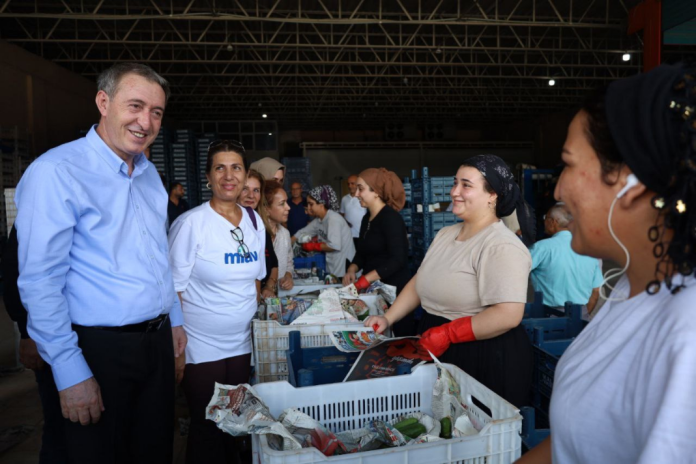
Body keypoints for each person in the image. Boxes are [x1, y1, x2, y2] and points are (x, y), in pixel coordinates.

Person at [520, 63, 696, 463]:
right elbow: (572, 444)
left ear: (631, 184)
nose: (560, 188)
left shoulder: (686, 338)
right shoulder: (626, 291)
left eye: (568, 163)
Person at [14, 62, 186, 462]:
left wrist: (174, 320)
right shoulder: (56, 172)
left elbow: (157, 255)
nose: (146, 121)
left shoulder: (149, 175)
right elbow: (40, 282)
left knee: (155, 451)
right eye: (135, 106)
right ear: (103, 102)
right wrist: (70, 371)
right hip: (98, 350)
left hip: (156, 344)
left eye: (156, 112)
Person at [365, 155, 535, 407]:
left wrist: (448, 334)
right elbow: (419, 282)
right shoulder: (446, 234)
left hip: (481, 354)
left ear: (492, 195)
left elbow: (508, 315)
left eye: (466, 185)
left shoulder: (501, 245)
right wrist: (388, 318)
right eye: (455, 183)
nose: (454, 191)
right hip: (435, 341)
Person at [168, 140, 266, 464]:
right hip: (201, 344)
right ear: (209, 176)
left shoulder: (254, 221)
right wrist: (176, 347)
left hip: (241, 343)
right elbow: (173, 289)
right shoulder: (191, 224)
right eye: (219, 168)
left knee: (233, 424)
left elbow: (256, 279)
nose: (228, 175)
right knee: (208, 424)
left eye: (235, 167)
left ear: (245, 174)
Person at [2, 225, 68, 463]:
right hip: (47, 337)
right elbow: (13, 274)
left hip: (87, 335)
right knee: (59, 423)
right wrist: (26, 334)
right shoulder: (37, 211)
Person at [342, 168, 413, 335]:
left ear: (376, 192)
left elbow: (398, 260)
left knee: (397, 339)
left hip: (396, 294)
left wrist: (365, 279)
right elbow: (363, 252)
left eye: (361, 189)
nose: (357, 193)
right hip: (376, 292)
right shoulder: (367, 217)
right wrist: (352, 269)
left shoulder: (391, 218)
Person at [530, 203, 603, 317]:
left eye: (546, 218)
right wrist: (583, 313)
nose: (544, 222)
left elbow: (514, 273)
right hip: (581, 314)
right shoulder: (590, 250)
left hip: (549, 316)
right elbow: (596, 291)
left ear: (554, 221)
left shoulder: (541, 247)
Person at [293, 185, 356, 278]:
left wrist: (313, 246)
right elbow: (301, 233)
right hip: (332, 263)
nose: (309, 208)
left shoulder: (333, 219)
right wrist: (287, 244)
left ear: (321, 205)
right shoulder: (319, 220)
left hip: (344, 266)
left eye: (311, 204)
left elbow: (334, 245)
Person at [240, 169, 279, 299]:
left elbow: (273, 263)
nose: (251, 195)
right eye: (245, 189)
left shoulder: (260, 225)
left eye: (256, 190)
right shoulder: (226, 227)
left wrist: (268, 286)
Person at [263, 180, 294, 291]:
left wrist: (288, 276)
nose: (288, 207)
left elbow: (289, 261)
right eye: (282, 204)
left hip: (278, 295)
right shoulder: (256, 235)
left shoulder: (284, 234)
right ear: (266, 209)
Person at [340, 175, 367, 248]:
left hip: (361, 235)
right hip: (348, 235)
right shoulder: (344, 199)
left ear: (358, 184)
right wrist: (345, 222)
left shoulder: (363, 198)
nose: (349, 186)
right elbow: (342, 214)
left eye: (352, 183)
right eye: (348, 184)